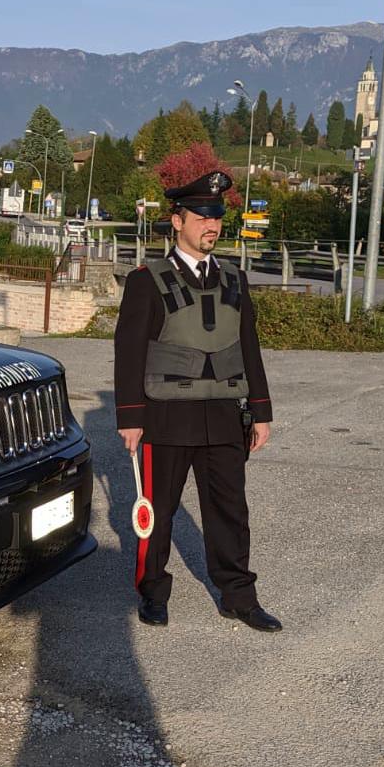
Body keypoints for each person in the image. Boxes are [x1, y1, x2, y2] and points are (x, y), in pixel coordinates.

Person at [113, 169, 281, 633]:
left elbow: (249, 348)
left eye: (217, 217)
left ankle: (238, 597)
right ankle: (152, 591)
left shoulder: (235, 279)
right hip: (165, 415)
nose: (212, 225)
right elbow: (129, 351)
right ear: (177, 221)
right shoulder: (147, 280)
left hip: (225, 416)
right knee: (160, 510)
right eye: (202, 216)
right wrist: (130, 416)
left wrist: (260, 412)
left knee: (231, 511)